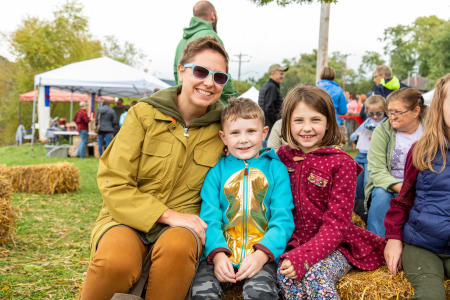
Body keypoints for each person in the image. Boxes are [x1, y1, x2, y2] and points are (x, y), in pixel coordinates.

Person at [79, 36, 231, 300]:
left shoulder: (225, 126)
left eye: (219, 77)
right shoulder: (143, 115)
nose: (209, 82)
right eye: (201, 71)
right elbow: (113, 181)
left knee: (177, 250)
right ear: (181, 71)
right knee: (116, 263)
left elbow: (251, 158)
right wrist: (166, 214)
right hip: (126, 218)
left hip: (186, 225)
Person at [276, 85, 385, 299]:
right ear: (287, 122)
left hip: (336, 244)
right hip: (295, 241)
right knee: (286, 277)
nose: (307, 128)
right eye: (299, 120)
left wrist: (304, 256)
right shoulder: (281, 157)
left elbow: (338, 224)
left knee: (315, 275)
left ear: (328, 123)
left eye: (315, 120)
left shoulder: (341, 163)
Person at [191, 98, 294, 299]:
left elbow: (282, 219)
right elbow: (210, 219)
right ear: (223, 137)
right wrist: (218, 255)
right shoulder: (216, 173)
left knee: (260, 293)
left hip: (262, 254)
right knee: (202, 291)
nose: (243, 140)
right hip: (221, 253)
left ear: (264, 133)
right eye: (235, 133)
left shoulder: (276, 169)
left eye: (251, 131)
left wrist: (262, 254)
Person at [384, 73, 450, 300]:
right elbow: (403, 199)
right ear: (440, 105)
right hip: (422, 244)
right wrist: (393, 237)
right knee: (431, 295)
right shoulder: (422, 151)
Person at [365, 88, 426, 237]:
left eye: (397, 112)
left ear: (416, 111)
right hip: (390, 185)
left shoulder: (429, 130)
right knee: (381, 194)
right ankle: (375, 242)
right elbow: (377, 170)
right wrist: (404, 189)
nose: (391, 117)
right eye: (389, 112)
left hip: (422, 186)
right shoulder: (382, 132)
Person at [174, 0, 237, 105]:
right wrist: (232, 99)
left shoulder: (181, 42)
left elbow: (176, 73)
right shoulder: (210, 36)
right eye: (200, 71)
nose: (208, 82)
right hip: (210, 107)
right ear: (212, 16)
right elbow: (221, 73)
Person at [350, 95, 387, 216]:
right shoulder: (368, 121)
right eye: (371, 114)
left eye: (378, 114)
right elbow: (352, 136)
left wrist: (377, 138)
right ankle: (356, 208)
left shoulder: (386, 123)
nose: (375, 117)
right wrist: (359, 135)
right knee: (354, 179)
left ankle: (367, 209)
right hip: (361, 154)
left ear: (385, 111)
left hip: (373, 157)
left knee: (368, 183)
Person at [258, 64, 289, 133]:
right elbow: (268, 109)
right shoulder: (272, 87)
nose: (283, 76)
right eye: (281, 74)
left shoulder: (267, 86)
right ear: (272, 73)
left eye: (283, 74)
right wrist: (277, 125)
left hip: (266, 126)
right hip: (270, 128)